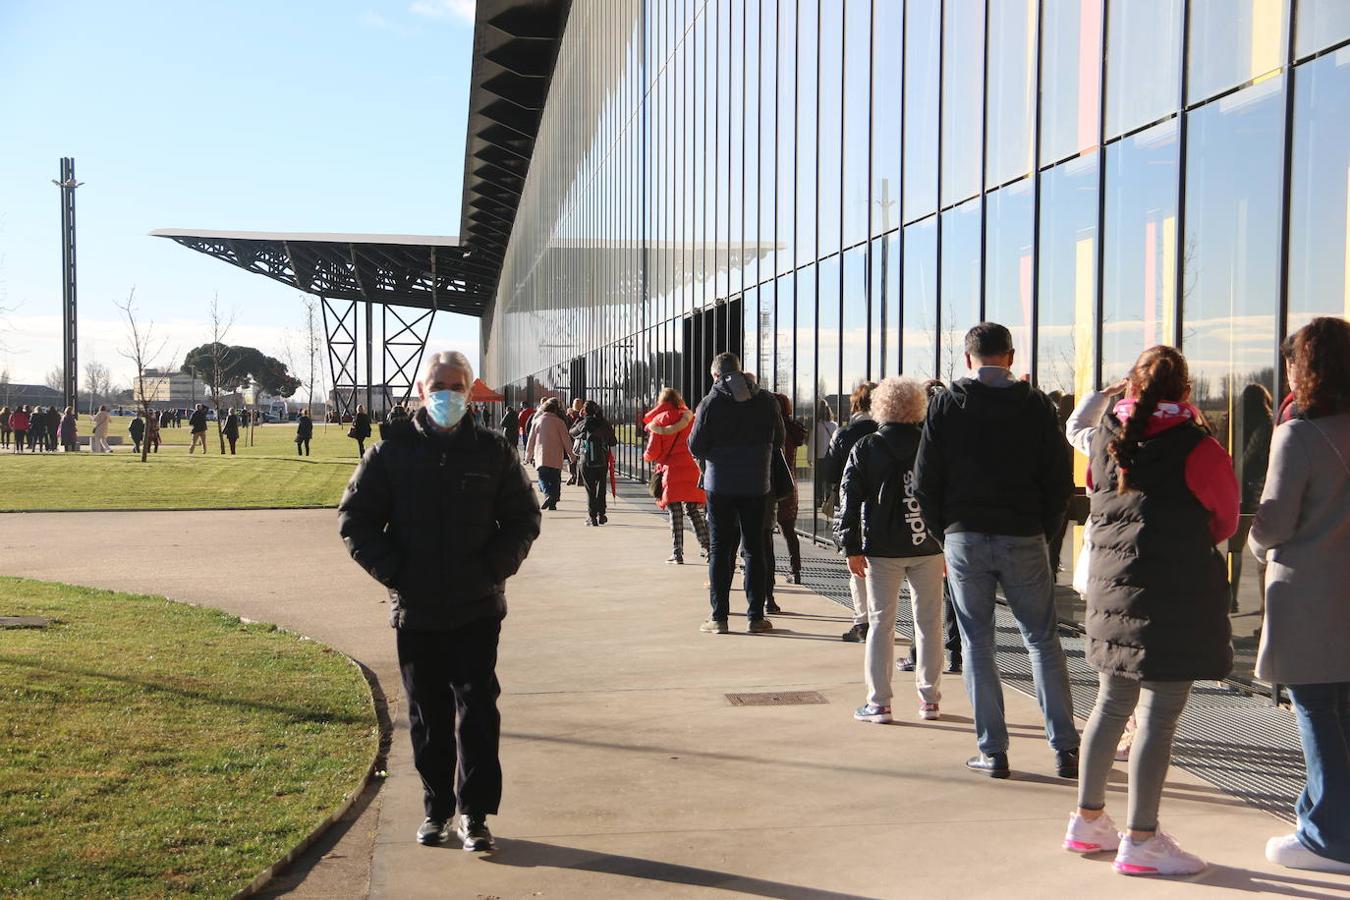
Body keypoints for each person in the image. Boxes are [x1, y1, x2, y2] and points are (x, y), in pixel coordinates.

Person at [338, 350, 540, 852]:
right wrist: (396, 572)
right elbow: (355, 519)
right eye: (437, 384)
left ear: (469, 392)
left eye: (455, 385)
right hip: (417, 608)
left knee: (477, 710)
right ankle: (437, 811)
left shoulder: (493, 452)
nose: (445, 393)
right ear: (421, 391)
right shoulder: (391, 453)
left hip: (477, 606)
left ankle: (474, 813)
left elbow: (523, 517)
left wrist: (495, 567)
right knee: (427, 715)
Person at [1061, 345, 1238, 877]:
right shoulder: (1199, 447)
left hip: (1112, 593)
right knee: (1158, 718)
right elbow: (1225, 519)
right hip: (1175, 594)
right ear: (1185, 391)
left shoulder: (1105, 441)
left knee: (1110, 705)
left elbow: (1099, 497)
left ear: (1131, 388)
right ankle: (1141, 838)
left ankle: (1087, 821)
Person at [914, 322, 1079, 780]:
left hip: (965, 536)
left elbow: (925, 480)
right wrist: (1044, 533)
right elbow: (1058, 482)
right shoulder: (1036, 406)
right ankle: (1065, 748)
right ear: (1010, 356)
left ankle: (994, 751)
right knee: (1042, 642)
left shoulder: (946, 405)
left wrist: (943, 535)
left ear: (969, 359)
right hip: (1023, 534)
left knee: (977, 644)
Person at [1249, 317, 1350, 876]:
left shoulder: (1298, 435)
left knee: (1314, 709)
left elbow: (1273, 523)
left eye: (1292, 360)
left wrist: (1253, 539)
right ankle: (1320, 817)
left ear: (1306, 368)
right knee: (1341, 711)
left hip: (1308, 592)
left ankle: (1327, 837)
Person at [837, 377, 946, 724]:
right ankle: (929, 700)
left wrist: (850, 545)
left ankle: (879, 702)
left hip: (882, 548)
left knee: (881, 624)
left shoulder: (868, 446)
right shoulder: (932, 445)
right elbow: (947, 496)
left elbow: (849, 498)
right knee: (929, 623)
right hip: (927, 545)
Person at [687, 352, 785, 635]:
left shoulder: (710, 402)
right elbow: (778, 439)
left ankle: (719, 617)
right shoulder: (767, 400)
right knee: (754, 549)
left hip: (720, 485)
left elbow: (695, 445)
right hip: (757, 484)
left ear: (716, 375)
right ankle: (756, 616)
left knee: (720, 549)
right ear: (740, 371)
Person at [824, 382, 879, 642]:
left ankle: (863, 622)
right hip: (883, 510)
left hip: (853, 508)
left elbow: (832, 473)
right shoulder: (887, 431)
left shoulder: (846, 434)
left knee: (857, 571)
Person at [644, 388, 710, 564]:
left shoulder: (658, 421)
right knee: (693, 509)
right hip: (692, 469)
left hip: (671, 471)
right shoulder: (690, 418)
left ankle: (677, 552)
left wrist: (648, 457)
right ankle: (708, 547)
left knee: (675, 511)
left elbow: (652, 452)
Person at [571, 400, 618, 526]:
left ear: (585, 411)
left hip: (585, 460)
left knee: (590, 489)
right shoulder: (604, 423)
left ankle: (592, 517)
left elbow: (572, 432)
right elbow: (613, 441)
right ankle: (601, 514)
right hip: (602, 460)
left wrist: (580, 418)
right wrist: (613, 458)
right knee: (601, 488)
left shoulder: (584, 422)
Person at [524, 397, 575, 510]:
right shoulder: (560, 422)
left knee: (543, 479)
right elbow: (566, 440)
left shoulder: (537, 421)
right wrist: (572, 456)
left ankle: (548, 494)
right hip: (556, 457)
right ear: (555, 410)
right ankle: (553, 502)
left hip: (541, 456)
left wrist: (528, 456)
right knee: (555, 479)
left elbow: (531, 440)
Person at [565, 398, 586, 485]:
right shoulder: (583, 415)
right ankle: (578, 477)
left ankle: (574, 476)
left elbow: (568, 428)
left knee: (572, 460)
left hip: (572, 440)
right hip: (579, 440)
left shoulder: (569, 415)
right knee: (579, 460)